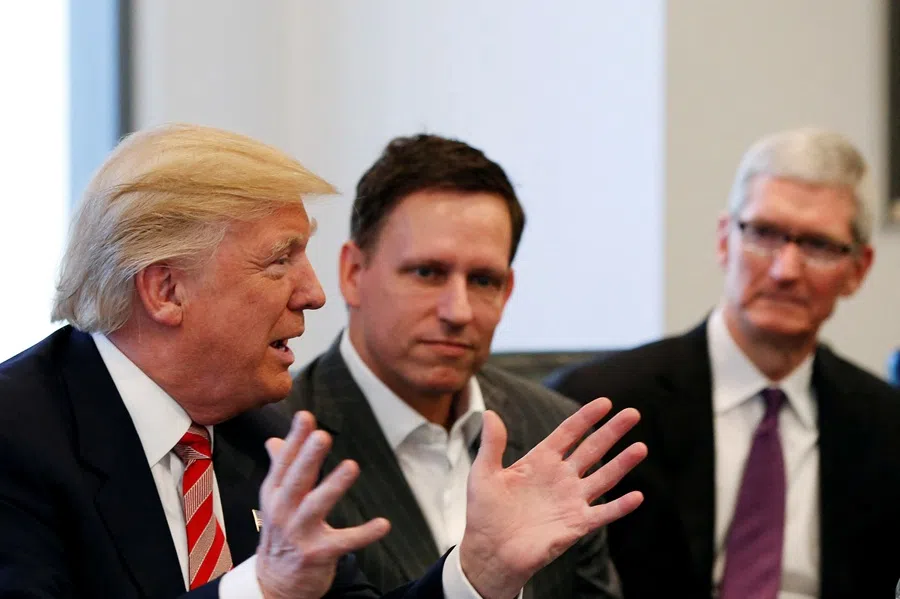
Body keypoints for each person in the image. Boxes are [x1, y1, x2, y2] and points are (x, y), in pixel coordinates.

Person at [0, 123, 647, 599]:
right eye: (281, 259)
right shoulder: (19, 435)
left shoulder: (267, 436)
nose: (312, 293)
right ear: (166, 289)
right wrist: (262, 586)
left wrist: (479, 570)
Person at [547, 127, 900, 599]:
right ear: (723, 240)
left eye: (817, 245)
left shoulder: (885, 423)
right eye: (764, 234)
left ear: (858, 270)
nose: (785, 270)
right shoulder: (602, 405)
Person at [282, 133, 623, 598]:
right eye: (428, 273)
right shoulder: (280, 444)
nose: (457, 311)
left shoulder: (557, 432)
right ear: (353, 274)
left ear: (507, 292)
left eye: (483, 280)